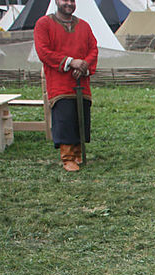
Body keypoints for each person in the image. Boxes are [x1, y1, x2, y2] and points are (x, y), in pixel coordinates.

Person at [34, 0, 98, 172]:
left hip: (81, 82)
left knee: (80, 117)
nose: (68, 3)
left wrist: (84, 65)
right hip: (60, 83)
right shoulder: (44, 24)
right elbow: (43, 51)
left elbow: (93, 49)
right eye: (64, 0)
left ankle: (78, 153)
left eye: (71, 0)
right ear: (57, 1)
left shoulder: (84, 26)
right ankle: (68, 157)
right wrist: (70, 62)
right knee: (65, 118)